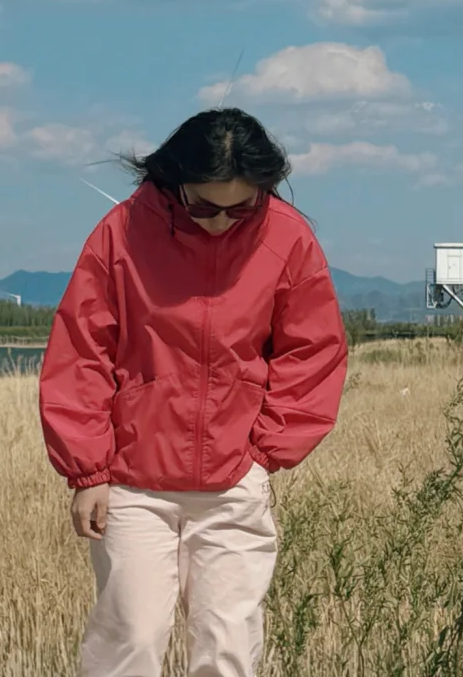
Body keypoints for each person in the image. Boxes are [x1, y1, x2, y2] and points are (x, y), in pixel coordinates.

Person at [39, 108, 348, 677]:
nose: (220, 222)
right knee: (130, 640)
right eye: (203, 206)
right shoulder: (122, 232)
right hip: (131, 482)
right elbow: (81, 350)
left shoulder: (288, 237)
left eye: (241, 208)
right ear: (173, 180)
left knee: (228, 648)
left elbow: (314, 350)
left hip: (234, 483)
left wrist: (263, 453)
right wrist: (88, 471)